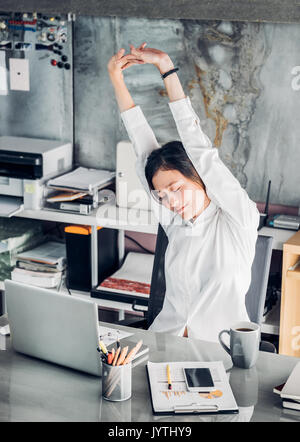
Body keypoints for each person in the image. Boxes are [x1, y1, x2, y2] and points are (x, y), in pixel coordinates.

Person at [107, 43, 260, 342]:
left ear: (200, 177)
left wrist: (165, 66)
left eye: (176, 188)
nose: (170, 202)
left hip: (220, 354)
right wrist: (116, 78)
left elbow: (200, 149)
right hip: (164, 344)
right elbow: (141, 146)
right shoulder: (176, 222)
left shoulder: (239, 219)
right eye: (162, 195)